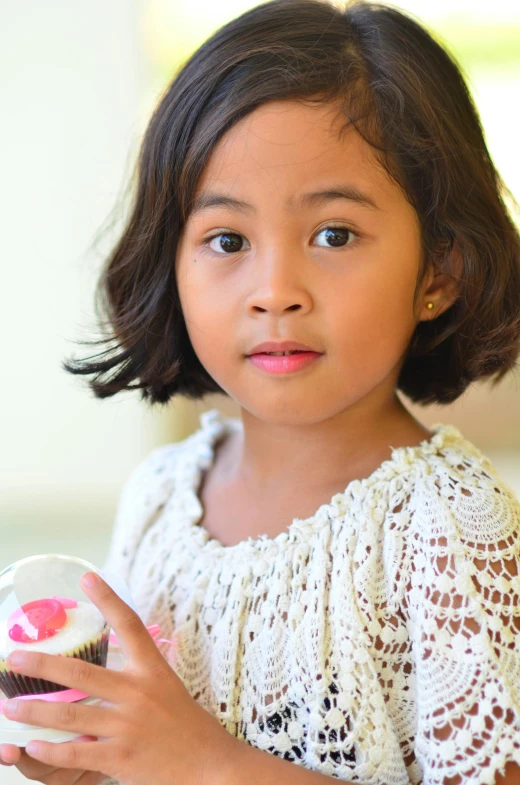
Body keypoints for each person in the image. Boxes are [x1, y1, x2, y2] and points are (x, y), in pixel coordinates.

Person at [2, 0, 520, 782]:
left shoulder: (446, 530)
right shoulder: (159, 499)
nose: (274, 290)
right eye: (227, 240)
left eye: (334, 234)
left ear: (439, 271)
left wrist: (203, 762)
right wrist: (98, 754)